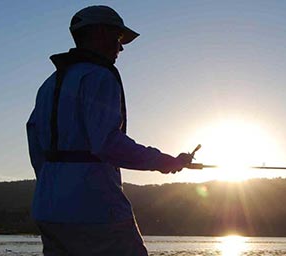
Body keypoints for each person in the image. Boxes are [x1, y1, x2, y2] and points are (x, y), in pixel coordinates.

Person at [26, 5, 193, 255]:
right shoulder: (99, 76)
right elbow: (107, 143)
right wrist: (164, 161)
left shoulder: (49, 84)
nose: (121, 47)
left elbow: (34, 139)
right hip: (94, 208)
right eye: (118, 38)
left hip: (47, 207)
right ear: (101, 33)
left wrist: (56, 181)